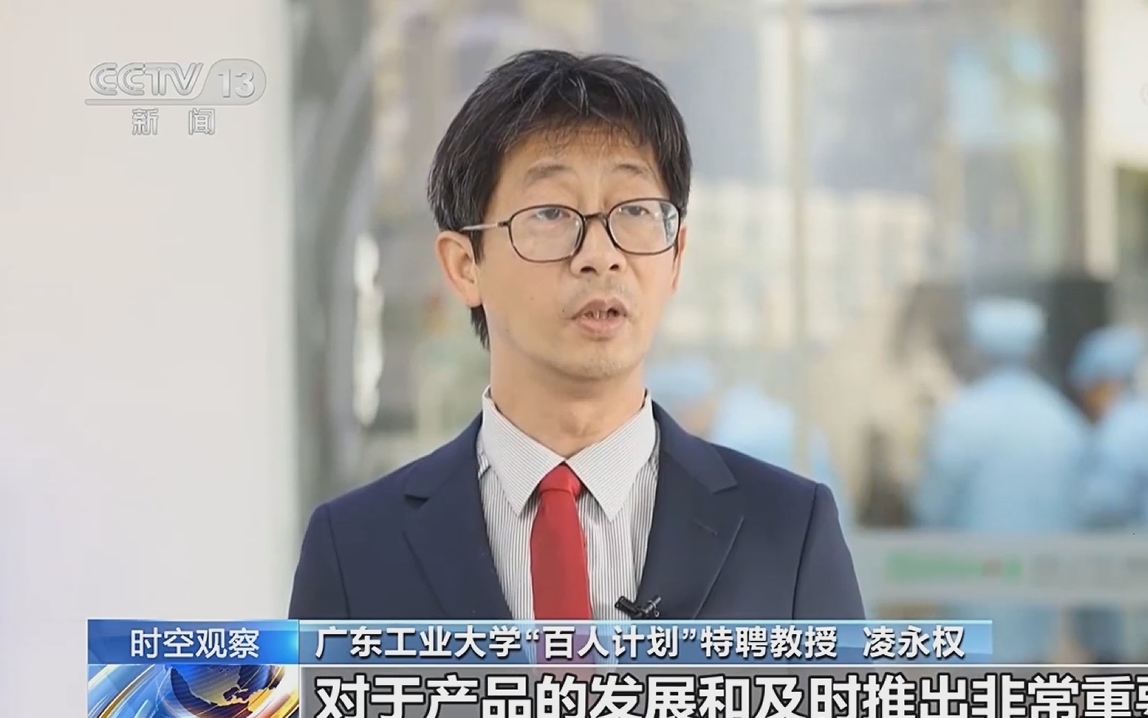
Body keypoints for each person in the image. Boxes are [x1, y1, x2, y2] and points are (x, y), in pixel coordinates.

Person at [288, 51, 864, 622]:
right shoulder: (354, 550)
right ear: (465, 266)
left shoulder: (789, 533)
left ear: (676, 256)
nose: (600, 256)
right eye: (551, 213)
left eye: (635, 210)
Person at [912, 298, 1089, 663]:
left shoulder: (962, 418)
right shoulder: (1058, 418)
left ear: (978, 351)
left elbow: (931, 506)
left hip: (970, 587)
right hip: (1038, 591)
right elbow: (1078, 507)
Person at [1068, 326, 1148, 664]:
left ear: (1104, 381)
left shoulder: (1122, 430)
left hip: (1125, 574)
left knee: (1120, 669)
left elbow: (1104, 503)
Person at [647, 358, 855, 530]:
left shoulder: (739, 440)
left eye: (678, 415)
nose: (679, 428)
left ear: (692, 405)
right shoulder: (743, 410)